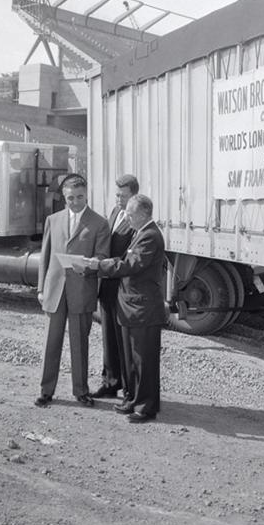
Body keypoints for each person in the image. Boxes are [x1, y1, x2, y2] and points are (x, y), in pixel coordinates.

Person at [85, 194, 166, 424]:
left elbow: (131, 264)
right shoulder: (141, 233)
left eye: (130, 215)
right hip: (131, 307)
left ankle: (146, 407)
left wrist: (101, 265)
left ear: (143, 214)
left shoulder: (149, 236)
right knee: (131, 359)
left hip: (143, 309)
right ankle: (133, 399)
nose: (127, 219)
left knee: (144, 361)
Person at [35, 174, 110, 408]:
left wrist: (88, 264)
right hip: (55, 291)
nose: (75, 202)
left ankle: (81, 391)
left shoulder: (99, 223)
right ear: (64, 197)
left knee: (80, 344)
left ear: (86, 195)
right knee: (51, 343)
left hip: (82, 290)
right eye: (70, 198)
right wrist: (40, 289)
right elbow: (44, 257)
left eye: (79, 197)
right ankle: (46, 390)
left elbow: (103, 257)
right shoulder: (53, 220)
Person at [91, 174, 139, 401]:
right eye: (117, 195)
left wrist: (105, 266)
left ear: (134, 196)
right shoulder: (114, 213)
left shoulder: (135, 222)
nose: (119, 199)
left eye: (124, 195)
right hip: (107, 286)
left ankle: (130, 388)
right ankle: (110, 383)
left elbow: (129, 258)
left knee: (125, 340)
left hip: (122, 287)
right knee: (109, 337)